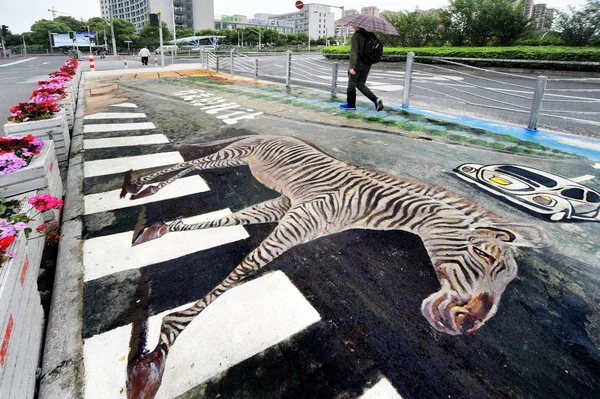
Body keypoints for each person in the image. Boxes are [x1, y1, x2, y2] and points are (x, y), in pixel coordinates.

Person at [340, 26, 384, 112]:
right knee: (360, 84)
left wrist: (352, 67)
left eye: (354, 25)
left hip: (358, 63)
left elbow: (354, 51)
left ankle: (351, 104)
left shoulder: (356, 36)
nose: (353, 27)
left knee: (351, 84)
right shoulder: (370, 35)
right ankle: (376, 100)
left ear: (357, 26)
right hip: (368, 63)